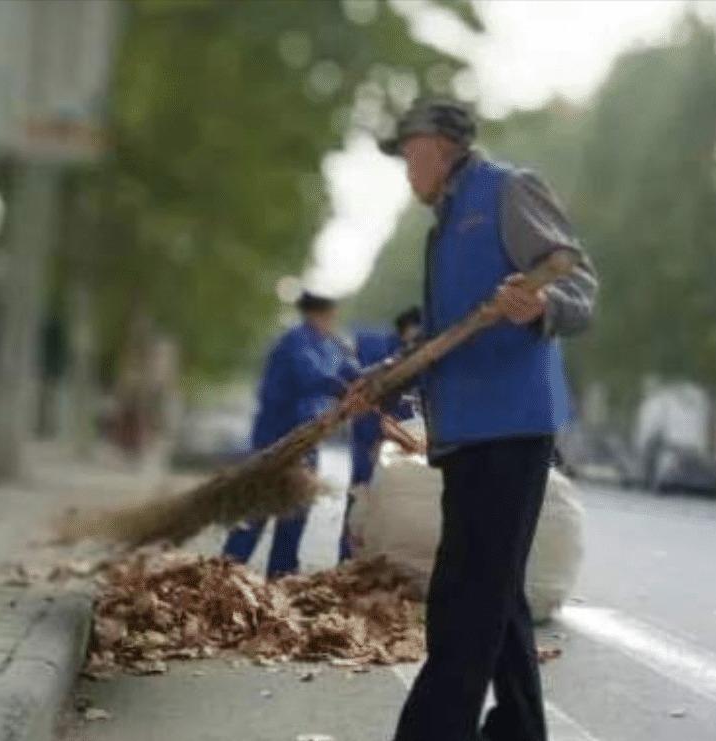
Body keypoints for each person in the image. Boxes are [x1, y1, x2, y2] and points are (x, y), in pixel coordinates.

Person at [364, 98, 598, 741]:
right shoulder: (445, 225)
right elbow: (448, 339)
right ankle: (520, 728)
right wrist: (392, 375)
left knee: (465, 598)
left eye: (409, 155)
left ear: (441, 146)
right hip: (467, 434)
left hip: (512, 427)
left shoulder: (506, 191)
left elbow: (582, 291)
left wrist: (541, 303)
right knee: (496, 593)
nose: (407, 171)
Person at [222, 291, 358, 578]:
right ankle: (227, 570)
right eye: (330, 315)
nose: (333, 320)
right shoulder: (295, 341)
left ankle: (281, 573)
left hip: (307, 440)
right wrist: (344, 386)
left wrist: (374, 377)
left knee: (296, 507)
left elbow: (351, 371)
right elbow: (313, 376)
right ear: (315, 314)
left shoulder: (330, 344)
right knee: (259, 505)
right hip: (276, 437)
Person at [339, 306, 424, 562]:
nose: (415, 341)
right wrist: (377, 439)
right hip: (370, 439)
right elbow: (351, 382)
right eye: (413, 336)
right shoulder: (375, 350)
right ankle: (349, 562)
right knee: (362, 496)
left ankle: (390, 563)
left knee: (403, 503)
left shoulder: (428, 354)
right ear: (403, 331)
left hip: (408, 443)